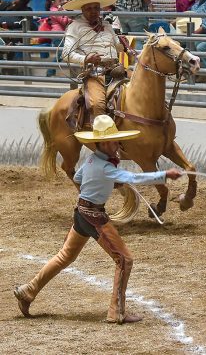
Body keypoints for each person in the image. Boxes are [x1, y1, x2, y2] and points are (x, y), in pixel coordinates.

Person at [14, 114, 184, 324]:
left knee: (64, 256)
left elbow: (78, 178)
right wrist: (163, 174)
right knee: (124, 260)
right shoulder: (106, 167)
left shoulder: (92, 160)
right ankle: (116, 311)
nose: (118, 144)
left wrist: (101, 183)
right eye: (113, 141)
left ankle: (28, 290)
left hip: (81, 213)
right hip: (94, 216)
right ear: (104, 143)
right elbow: (133, 178)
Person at [62, 0, 126, 123]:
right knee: (97, 104)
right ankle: (103, 139)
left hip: (117, 69)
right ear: (82, 9)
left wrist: (123, 44)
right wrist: (86, 58)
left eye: (96, 8)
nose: (93, 12)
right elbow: (66, 54)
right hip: (95, 74)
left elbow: (119, 47)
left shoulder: (108, 25)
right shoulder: (75, 27)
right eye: (89, 9)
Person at [38, 0, 72, 76]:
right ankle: (50, 71)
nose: (63, 1)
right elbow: (64, 22)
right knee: (61, 53)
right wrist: (67, 13)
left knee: (62, 53)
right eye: (60, 0)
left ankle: (51, 71)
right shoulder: (54, 11)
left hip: (61, 34)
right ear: (53, 2)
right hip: (58, 35)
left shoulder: (58, 9)